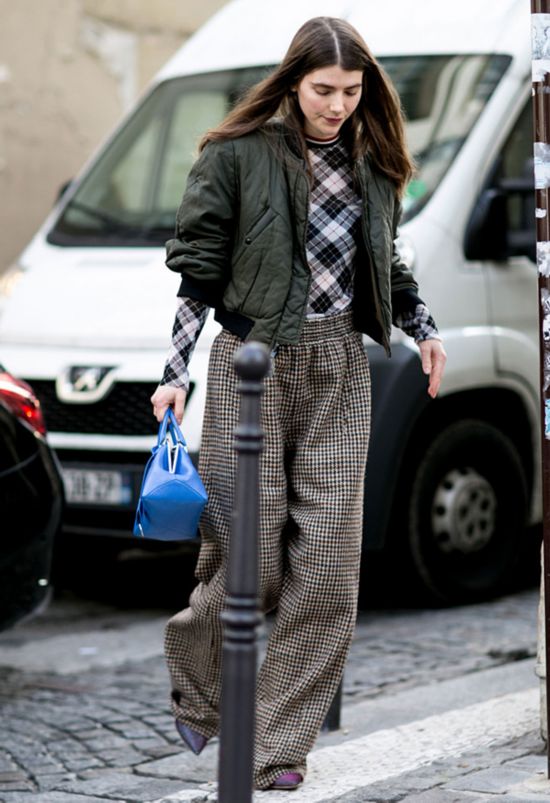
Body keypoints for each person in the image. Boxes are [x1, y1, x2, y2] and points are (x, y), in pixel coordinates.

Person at [151, 16, 446, 791]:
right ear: (293, 82)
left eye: (351, 91)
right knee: (245, 551)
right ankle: (199, 684)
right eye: (323, 90)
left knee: (329, 566)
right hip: (253, 362)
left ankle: (278, 743)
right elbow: (198, 271)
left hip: (341, 366)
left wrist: (424, 328)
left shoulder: (376, 158)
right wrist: (174, 374)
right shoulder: (235, 154)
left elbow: (389, 262)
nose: (338, 105)